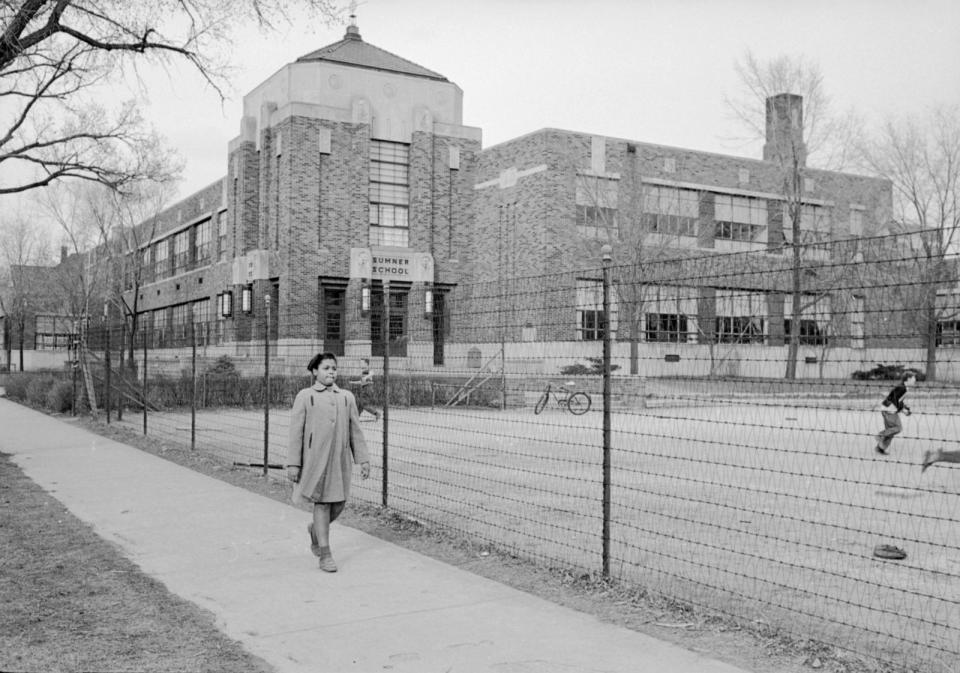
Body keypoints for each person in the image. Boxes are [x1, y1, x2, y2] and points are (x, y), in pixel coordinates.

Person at [287, 352, 370, 572]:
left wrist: (363, 459)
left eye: (334, 368)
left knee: (339, 502)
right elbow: (296, 433)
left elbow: (355, 431)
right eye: (326, 368)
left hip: (339, 461)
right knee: (322, 502)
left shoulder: (346, 397)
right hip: (315, 461)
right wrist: (293, 463)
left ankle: (316, 529)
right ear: (315, 371)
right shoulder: (305, 396)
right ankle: (325, 553)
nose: (331, 372)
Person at [873, 371, 916, 455]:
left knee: (891, 431)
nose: (915, 380)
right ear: (908, 379)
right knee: (898, 428)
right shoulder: (902, 388)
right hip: (889, 411)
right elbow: (895, 399)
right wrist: (903, 410)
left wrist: (904, 408)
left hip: (889, 410)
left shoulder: (904, 388)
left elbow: (898, 400)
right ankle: (880, 435)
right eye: (914, 378)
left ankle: (880, 448)